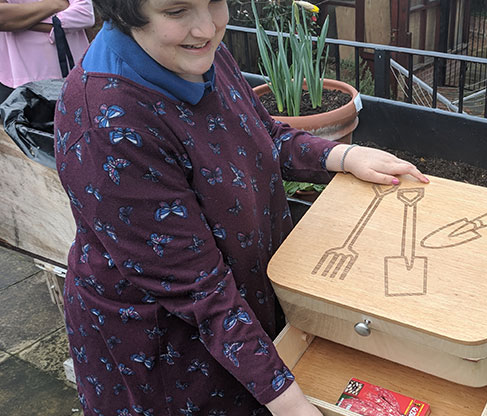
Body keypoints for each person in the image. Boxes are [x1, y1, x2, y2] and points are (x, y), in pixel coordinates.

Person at [53, 0, 428, 414]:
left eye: (215, 1)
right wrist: (291, 404)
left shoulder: (197, 51)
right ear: (124, 12)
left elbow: (261, 132)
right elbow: (200, 292)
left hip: (238, 309)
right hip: (167, 350)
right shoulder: (109, 124)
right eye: (176, 11)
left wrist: (338, 158)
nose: (207, 27)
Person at [0, 0, 94, 103]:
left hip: (72, 77)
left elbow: (85, 14)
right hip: (17, 82)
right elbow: (2, 17)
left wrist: (18, 22)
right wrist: (55, 4)